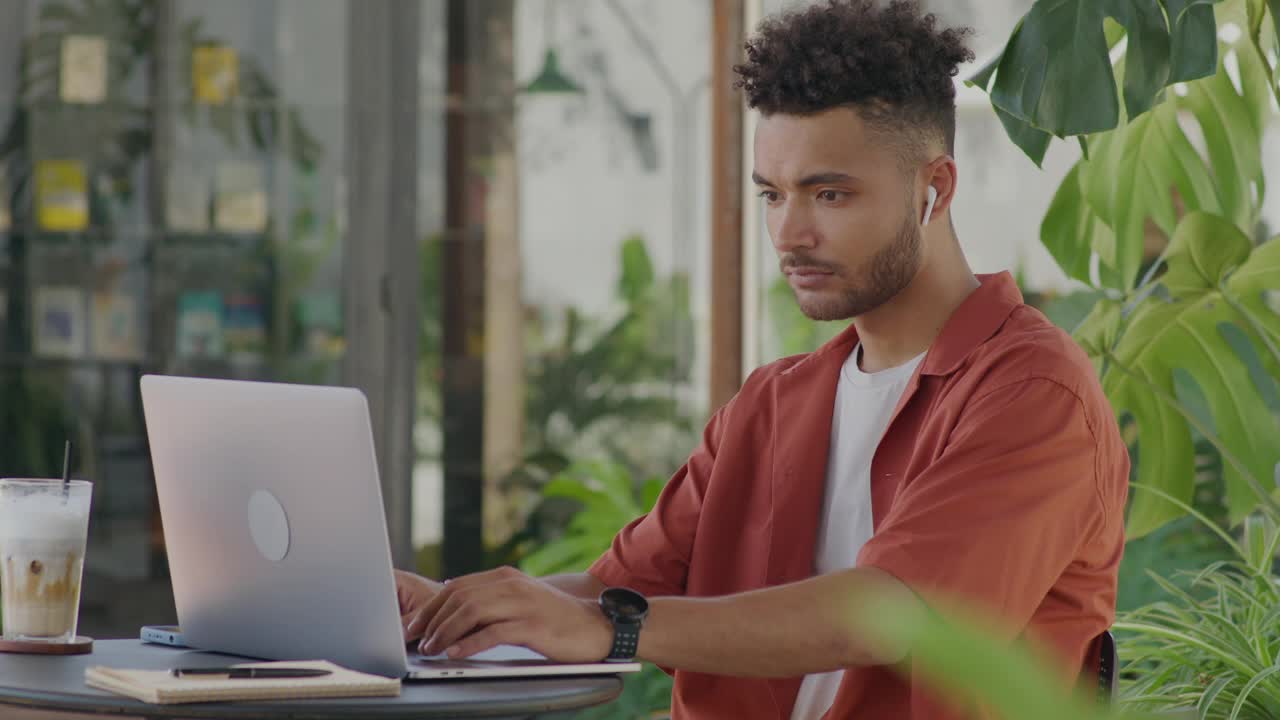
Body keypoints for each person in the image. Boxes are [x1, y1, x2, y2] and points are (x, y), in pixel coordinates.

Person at [396, 1, 1129, 718]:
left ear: (932, 190)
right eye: (772, 195)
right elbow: (611, 587)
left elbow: (889, 614)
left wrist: (615, 627)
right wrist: (450, 609)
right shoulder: (773, 402)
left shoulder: (1033, 391)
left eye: (829, 194)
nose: (789, 232)